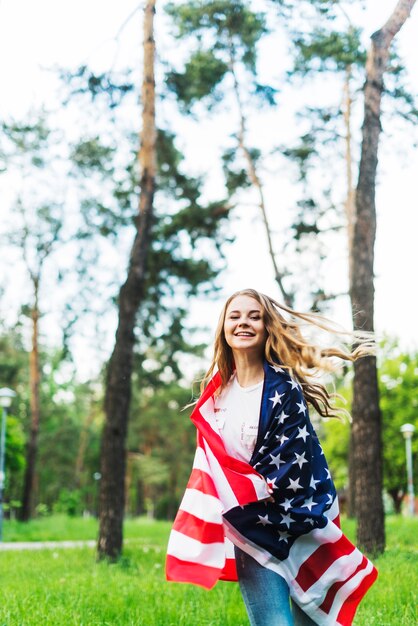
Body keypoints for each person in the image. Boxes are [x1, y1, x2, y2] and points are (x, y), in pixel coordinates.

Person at [166, 289, 377, 626]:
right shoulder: (216, 394)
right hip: (253, 531)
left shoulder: (284, 389)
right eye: (235, 316)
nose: (243, 323)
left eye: (254, 316)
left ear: (267, 326)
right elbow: (213, 465)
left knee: (315, 622)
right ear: (223, 327)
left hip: (300, 524)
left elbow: (294, 463)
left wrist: (247, 494)